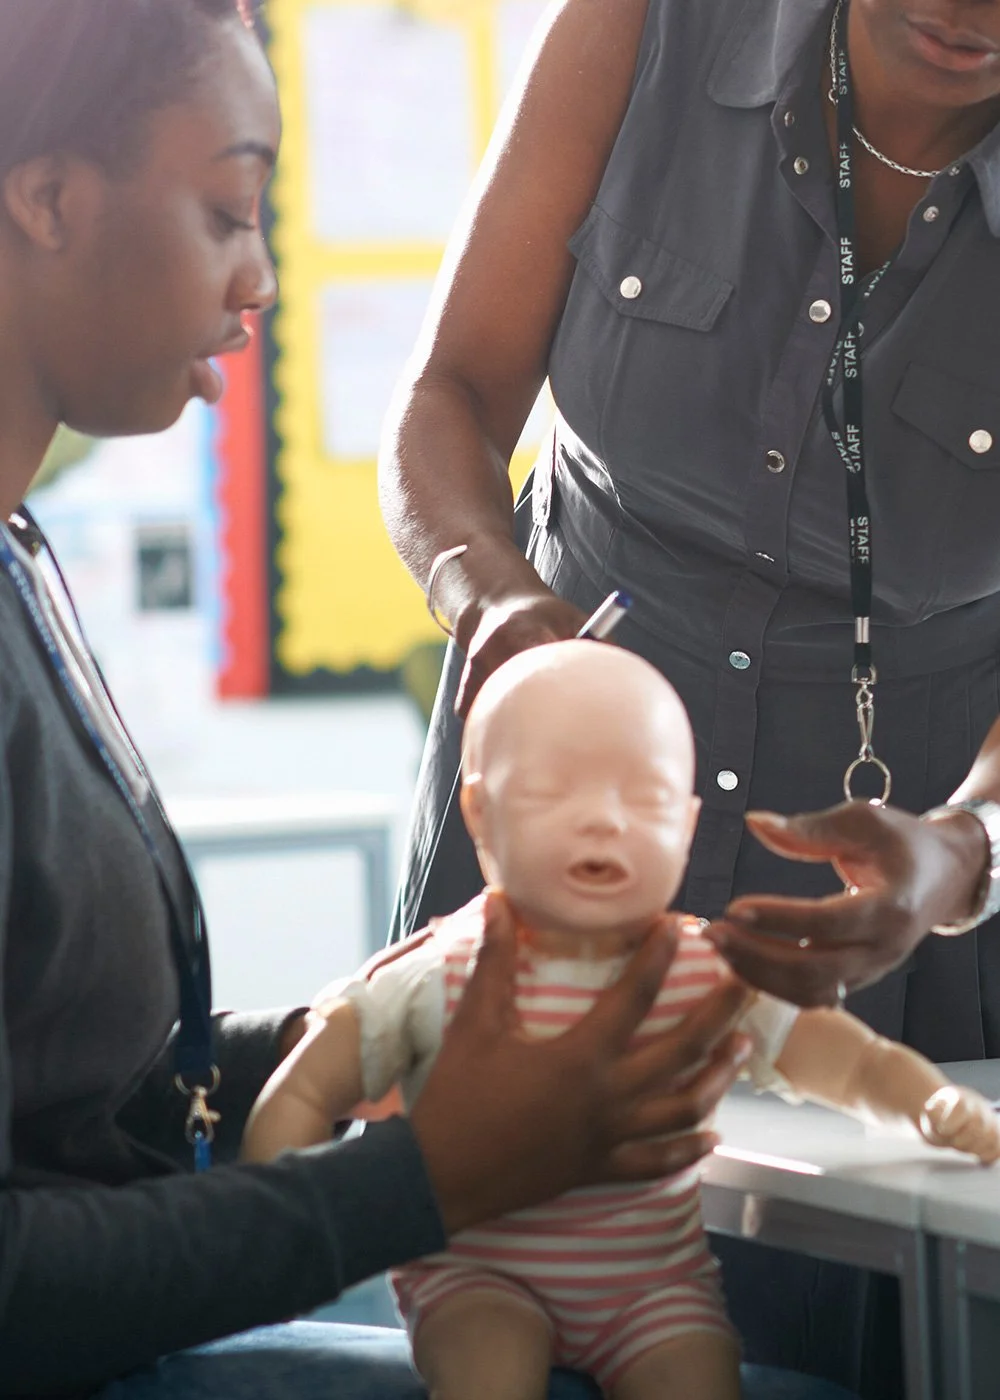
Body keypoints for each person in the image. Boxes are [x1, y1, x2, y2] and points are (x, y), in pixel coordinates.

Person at [0, 3, 763, 1398]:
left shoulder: (22, 564)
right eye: (231, 208)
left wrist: (324, 1037)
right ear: (46, 198)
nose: (261, 281)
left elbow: (70, 1108)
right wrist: (428, 1177)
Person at [378, 0, 1000, 1391]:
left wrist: (968, 848)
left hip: (898, 951)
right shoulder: (649, 23)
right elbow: (451, 398)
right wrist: (496, 606)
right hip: (538, 883)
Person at [244, 640, 1000, 1400]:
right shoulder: (443, 972)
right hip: (480, 1278)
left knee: (697, 1376)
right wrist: (273, 1237)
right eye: (554, 792)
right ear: (480, 811)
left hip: (654, 1292)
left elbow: (844, 1057)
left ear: (689, 822)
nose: (604, 821)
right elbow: (310, 1079)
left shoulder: (700, 970)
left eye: (646, 799)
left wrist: (927, 1103)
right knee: (487, 1374)